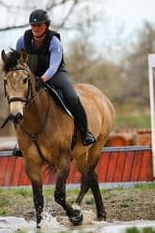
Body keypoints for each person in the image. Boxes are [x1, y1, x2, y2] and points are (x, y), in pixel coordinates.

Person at [13, 9, 96, 156]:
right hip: (32, 76)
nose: (36, 29)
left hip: (55, 74)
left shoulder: (54, 41)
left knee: (71, 96)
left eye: (39, 25)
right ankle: (20, 141)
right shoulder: (22, 41)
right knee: (17, 100)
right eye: (33, 26)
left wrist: (42, 80)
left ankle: (85, 131)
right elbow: (18, 61)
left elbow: (53, 66)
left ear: (46, 25)